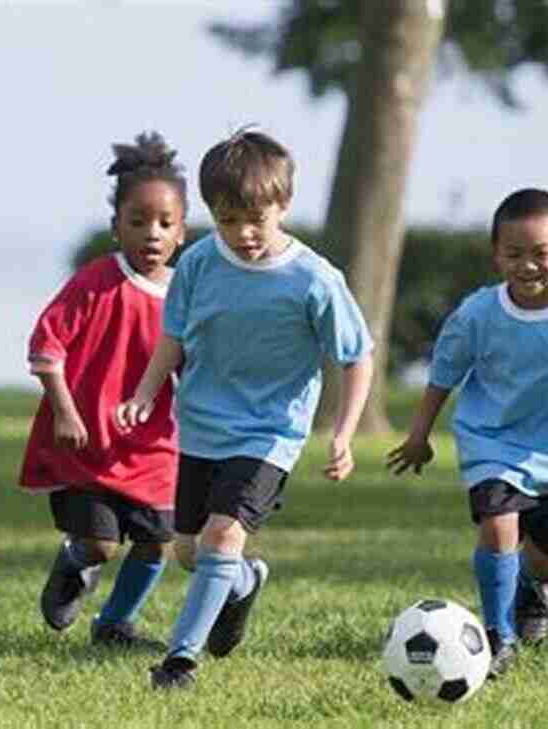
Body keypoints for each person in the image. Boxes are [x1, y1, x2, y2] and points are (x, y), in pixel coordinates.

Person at [113, 129, 374, 689]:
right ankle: (243, 584)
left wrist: (344, 434)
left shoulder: (315, 280)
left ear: (284, 204)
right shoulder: (202, 263)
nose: (244, 234)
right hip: (203, 426)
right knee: (188, 550)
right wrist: (143, 392)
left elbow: (357, 358)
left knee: (221, 537)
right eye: (228, 220)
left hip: (269, 434)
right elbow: (173, 337)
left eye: (256, 219)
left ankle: (180, 660)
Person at [386, 189, 548, 678]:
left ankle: (538, 588)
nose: (527, 266)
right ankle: (497, 636)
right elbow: (443, 374)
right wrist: (419, 434)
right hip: (493, 442)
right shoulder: (477, 314)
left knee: (547, 556)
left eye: (540, 254)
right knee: (498, 525)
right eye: (513, 254)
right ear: (495, 252)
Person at [19, 132, 187, 649]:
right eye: (137, 222)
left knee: (157, 543)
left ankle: (114, 624)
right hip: (90, 445)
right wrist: (65, 412)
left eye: (164, 223)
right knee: (101, 543)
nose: (151, 234)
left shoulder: (188, 293)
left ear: (182, 232)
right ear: (116, 227)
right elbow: (47, 348)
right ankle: (75, 561)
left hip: (158, 447)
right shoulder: (95, 282)